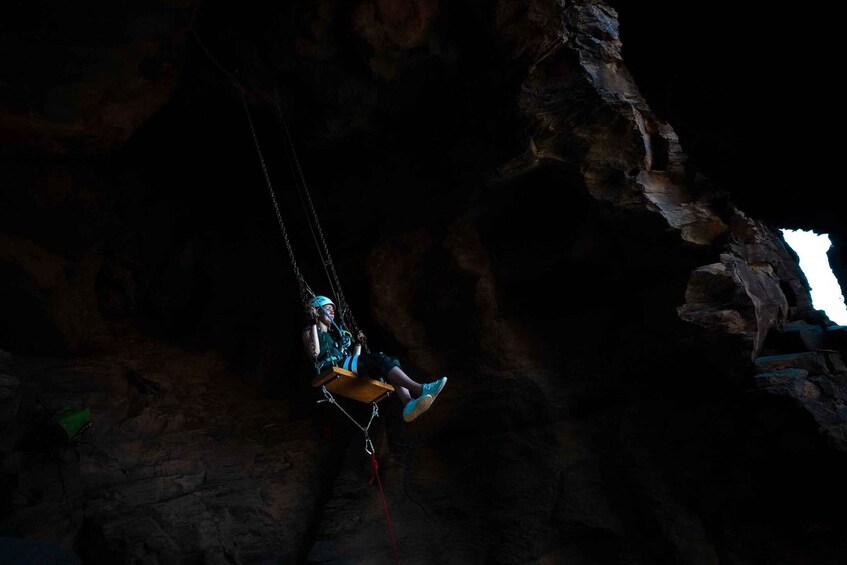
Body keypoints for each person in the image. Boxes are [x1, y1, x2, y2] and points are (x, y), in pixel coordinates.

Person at [302, 295, 447, 422]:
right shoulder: (309, 331)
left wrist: (358, 343)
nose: (333, 311)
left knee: (391, 360)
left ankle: (408, 402)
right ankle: (420, 388)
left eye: (333, 309)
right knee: (379, 358)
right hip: (329, 367)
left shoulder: (335, 339)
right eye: (328, 308)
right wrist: (313, 323)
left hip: (343, 366)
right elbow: (315, 354)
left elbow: (354, 361)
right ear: (318, 310)